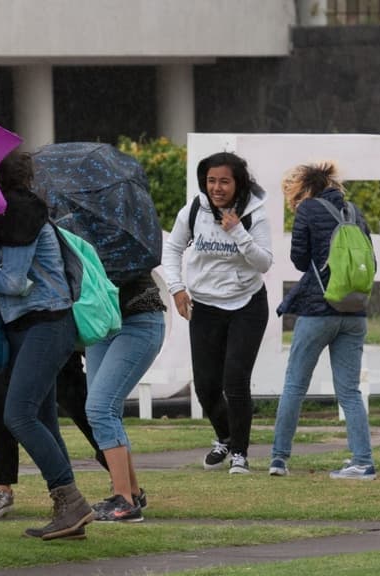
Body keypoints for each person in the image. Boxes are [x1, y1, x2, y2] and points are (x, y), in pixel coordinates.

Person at [0, 152, 93, 541]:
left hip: (45, 323)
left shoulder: (21, 216)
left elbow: (14, 281)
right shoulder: (10, 217)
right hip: (29, 326)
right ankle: (68, 514)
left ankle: (71, 501)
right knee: (43, 419)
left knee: (17, 415)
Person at [161, 152, 273, 475]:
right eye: (211, 181)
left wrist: (238, 232)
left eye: (224, 181)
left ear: (238, 183)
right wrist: (176, 288)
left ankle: (240, 453)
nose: (217, 188)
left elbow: (264, 262)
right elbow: (173, 248)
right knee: (206, 386)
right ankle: (225, 436)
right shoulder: (194, 209)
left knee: (235, 380)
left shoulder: (254, 214)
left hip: (246, 305)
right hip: (205, 305)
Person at [270, 162, 377, 480]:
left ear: (303, 189)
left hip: (318, 310)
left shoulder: (308, 211)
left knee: (294, 385)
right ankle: (362, 462)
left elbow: (300, 260)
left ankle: (279, 459)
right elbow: (371, 259)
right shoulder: (355, 212)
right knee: (350, 391)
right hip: (354, 311)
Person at [0, 352, 110, 522]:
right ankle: (4, 487)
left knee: (71, 393)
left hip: (49, 332)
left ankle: (120, 477)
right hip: (10, 331)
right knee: (1, 402)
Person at [85, 258, 166, 522]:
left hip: (139, 319)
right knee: (107, 411)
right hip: (102, 321)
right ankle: (131, 492)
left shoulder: (119, 223)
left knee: (100, 408)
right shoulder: (67, 221)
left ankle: (125, 503)